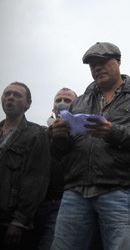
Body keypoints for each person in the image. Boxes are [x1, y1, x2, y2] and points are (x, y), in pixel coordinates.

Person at [50, 42, 130, 250]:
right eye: (93, 64)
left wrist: (113, 132)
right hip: (75, 192)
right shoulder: (79, 102)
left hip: (119, 191)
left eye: (103, 62)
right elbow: (60, 152)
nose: (97, 67)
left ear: (119, 62)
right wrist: (59, 136)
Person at [0, 82, 51, 250]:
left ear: (28, 103)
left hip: (10, 222)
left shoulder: (36, 135)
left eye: (17, 95)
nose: (10, 98)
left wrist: (19, 221)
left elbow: (36, 181)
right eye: (7, 94)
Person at [31, 88, 77, 250]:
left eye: (67, 100)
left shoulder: (82, 136)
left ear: (77, 106)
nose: (62, 103)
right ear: (53, 107)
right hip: (36, 206)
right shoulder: (40, 135)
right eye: (58, 100)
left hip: (65, 205)